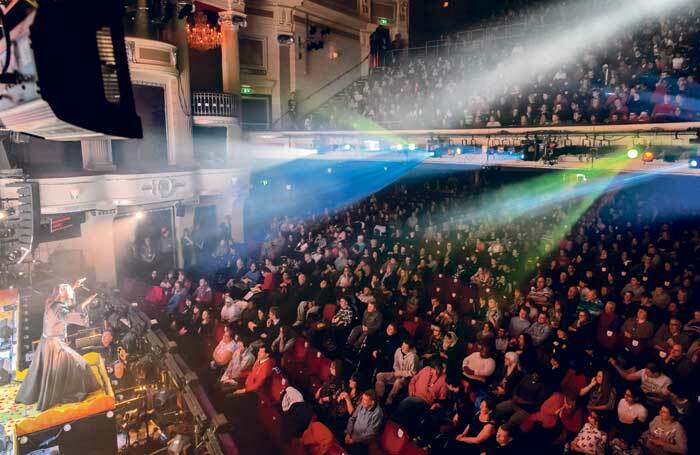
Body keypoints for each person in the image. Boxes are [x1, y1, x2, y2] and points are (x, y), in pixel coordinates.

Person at [16, 283, 100, 411]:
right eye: (69, 292)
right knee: (81, 365)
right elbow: (70, 314)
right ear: (62, 294)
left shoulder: (51, 302)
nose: (71, 294)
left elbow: (65, 302)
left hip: (46, 342)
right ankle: (68, 393)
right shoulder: (58, 309)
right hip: (54, 345)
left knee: (54, 371)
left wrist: (74, 285)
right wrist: (85, 303)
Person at [375, 339, 418, 405]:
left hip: (406, 379)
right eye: (402, 345)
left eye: (405, 347)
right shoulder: (398, 350)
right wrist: (397, 372)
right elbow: (395, 364)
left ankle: (389, 398)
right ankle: (379, 398)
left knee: (398, 382)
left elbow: (413, 373)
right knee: (379, 375)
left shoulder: (414, 357)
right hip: (396, 373)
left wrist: (401, 373)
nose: (402, 347)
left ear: (410, 348)